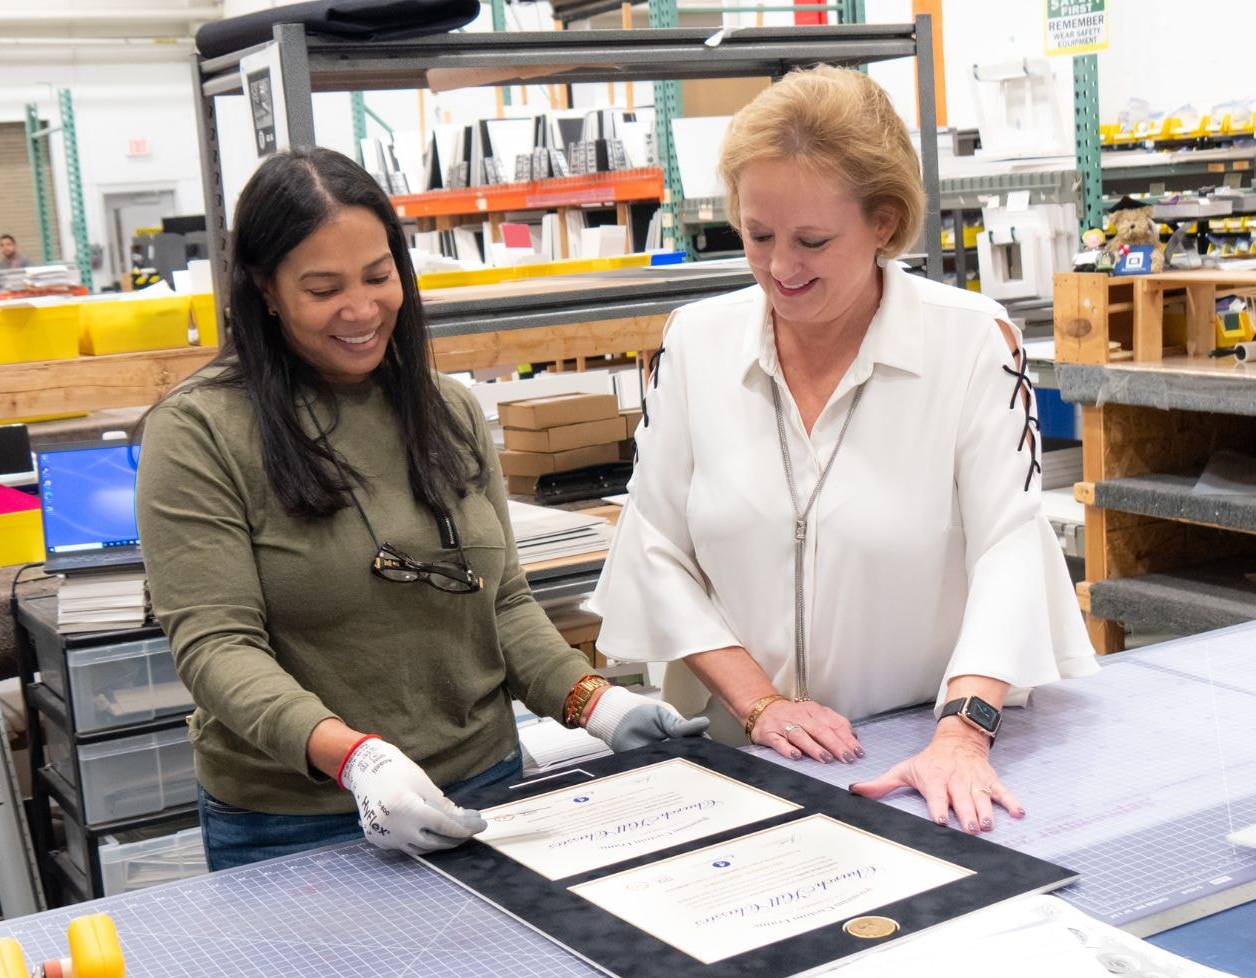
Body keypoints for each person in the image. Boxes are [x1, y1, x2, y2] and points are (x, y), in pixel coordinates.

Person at [136, 147, 706, 871]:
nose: (362, 309)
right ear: (264, 290)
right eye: (323, 288)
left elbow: (500, 604)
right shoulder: (199, 433)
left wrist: (596, 702)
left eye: (379, 277)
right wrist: (357, 760)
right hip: (296, 822)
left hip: (485, 789)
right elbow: (217, 647)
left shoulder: (448, 411)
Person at [590, 65, 1096, 836]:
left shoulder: (968, 342)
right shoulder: (697, 343)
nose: (781, 269)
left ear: (885, 223)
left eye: (813, 241)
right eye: (757, 235)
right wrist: (759, 702)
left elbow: (1009, 547)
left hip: (908, 751)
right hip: (741, 752)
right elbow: (655, 543)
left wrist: (961, 732)